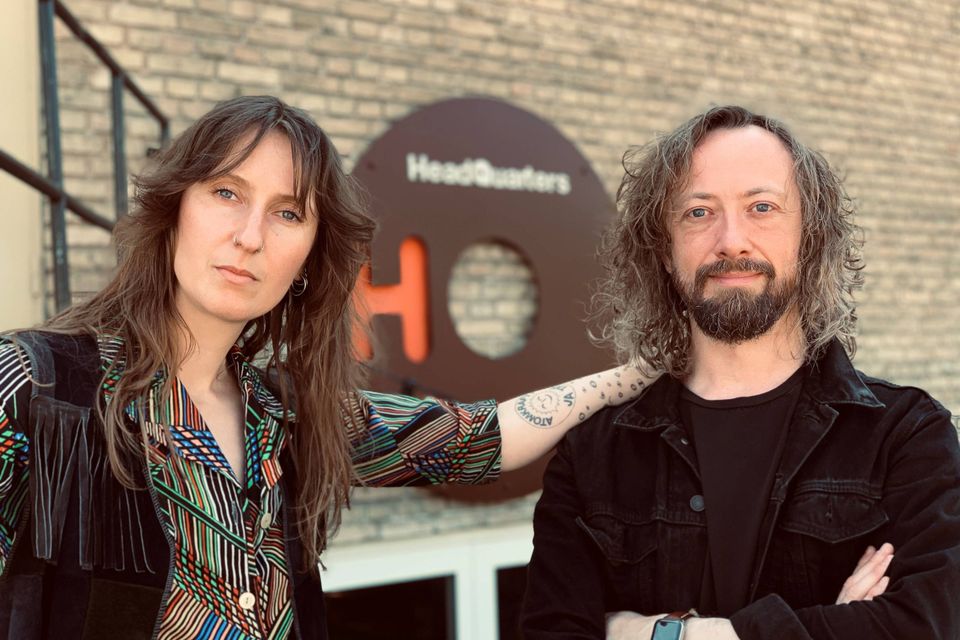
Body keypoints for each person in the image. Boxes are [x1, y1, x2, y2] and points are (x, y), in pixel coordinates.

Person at [0, 95, 654, 640]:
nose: (250, 236)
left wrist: (649, 369)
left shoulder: (289, 417)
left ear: (309, 261)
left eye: (287, 212)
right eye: (226, 192)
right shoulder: (34, 390)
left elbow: (482, 436)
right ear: (174, 212)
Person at [521, 105, 960, 639]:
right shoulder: (593, 454)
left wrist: (660, 634)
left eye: (761, 207)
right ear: (665, 251)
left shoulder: (905, 436)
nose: (731, 240)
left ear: (810, 238)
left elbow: (926, 626)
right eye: (698, 212)